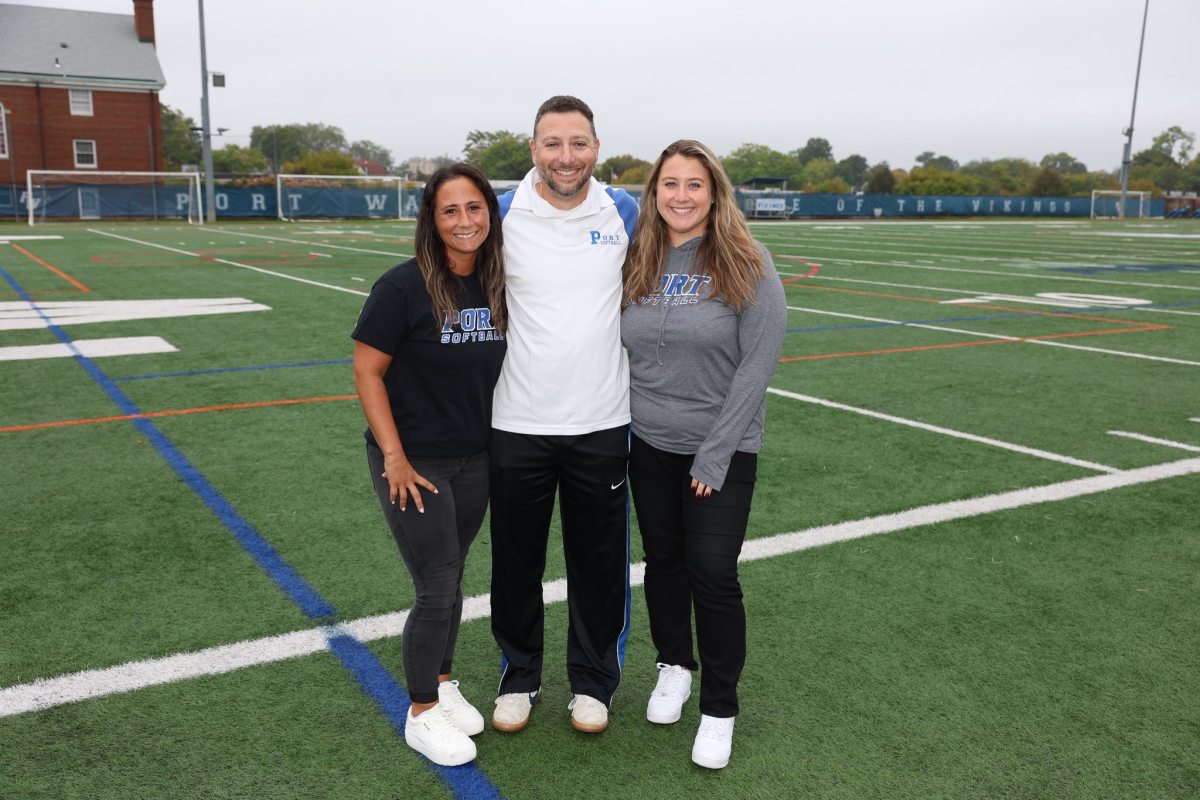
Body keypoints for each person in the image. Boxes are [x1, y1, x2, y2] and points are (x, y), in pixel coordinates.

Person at [620, 140, 787, 769]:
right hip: (648, 445)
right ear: (654, 193)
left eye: (694, 184)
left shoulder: (746, 259)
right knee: (663, 562)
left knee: (713, 574)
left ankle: (719, 709)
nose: (681, 196)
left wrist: (713, 457)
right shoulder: (639, 256)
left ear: (714, 193)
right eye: (670, 184)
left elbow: (758, 364)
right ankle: (674, 666)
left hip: (721, 449)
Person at [488, 95, 639, 735]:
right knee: (515, 562)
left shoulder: (625, 210)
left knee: (598, 563)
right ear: (533, 149)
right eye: (553, 143)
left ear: (596, 148)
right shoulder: (500, 212)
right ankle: (519, 677)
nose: (566, 157)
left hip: (602, 420)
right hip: (515, 419)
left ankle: (593, 683)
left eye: (578, 143)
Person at [352, 163, 507, 766]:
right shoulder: (402, 286)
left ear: (489, 213)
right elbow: (367, 372)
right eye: (450, 210)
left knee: (454, 574)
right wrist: (393, 457)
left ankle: (441, 683)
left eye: (474, 207)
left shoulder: (494, 283)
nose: (465, 220)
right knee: (436, 584)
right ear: (432, 219)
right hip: (415, 464)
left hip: (474, 459)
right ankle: (420, 712)